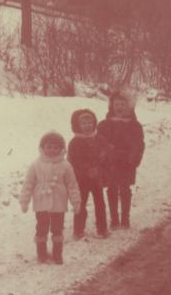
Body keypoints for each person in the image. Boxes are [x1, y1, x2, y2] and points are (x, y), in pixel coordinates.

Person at [19, 131, 81, 265]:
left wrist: (75, 201)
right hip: (41, 202)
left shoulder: (65, 165)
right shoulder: (36, 164)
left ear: (61, 148)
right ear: (43, 147)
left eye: (55, 147)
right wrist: (24, 200)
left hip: (59, 203)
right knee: (41, 227)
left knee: (57, 228)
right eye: (49, 147)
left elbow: (72, 185)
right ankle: (41, 253)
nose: (52, 150)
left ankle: (57, 254)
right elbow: (28, 183)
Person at [97, 91, 144, 229]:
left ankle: (125, 218)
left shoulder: (135, 125)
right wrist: (103, 155)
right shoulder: (104, 124)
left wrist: (133, 159)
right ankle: (114, 219)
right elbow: (99, 142)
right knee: (111, 189)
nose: (119, 107)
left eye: (123, 104)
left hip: (126, 162)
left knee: (125, 189)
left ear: (129, 107)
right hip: (110, 162)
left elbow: (139, 144)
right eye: (117, 104)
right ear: (111, 106)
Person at [67, 108, 110, 239]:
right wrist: (86, 170)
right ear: (77, 125)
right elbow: (73, 161)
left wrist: (102, 160)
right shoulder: (75, 142)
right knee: (81, 204)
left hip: (97, 178)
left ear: (94, 123)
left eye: (90, 122)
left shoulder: (99, 138)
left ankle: (102, 229)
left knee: (100, 203)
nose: (87, 126)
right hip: (82, 179)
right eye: (83, 123)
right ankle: (78, 230)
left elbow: (107, 152)